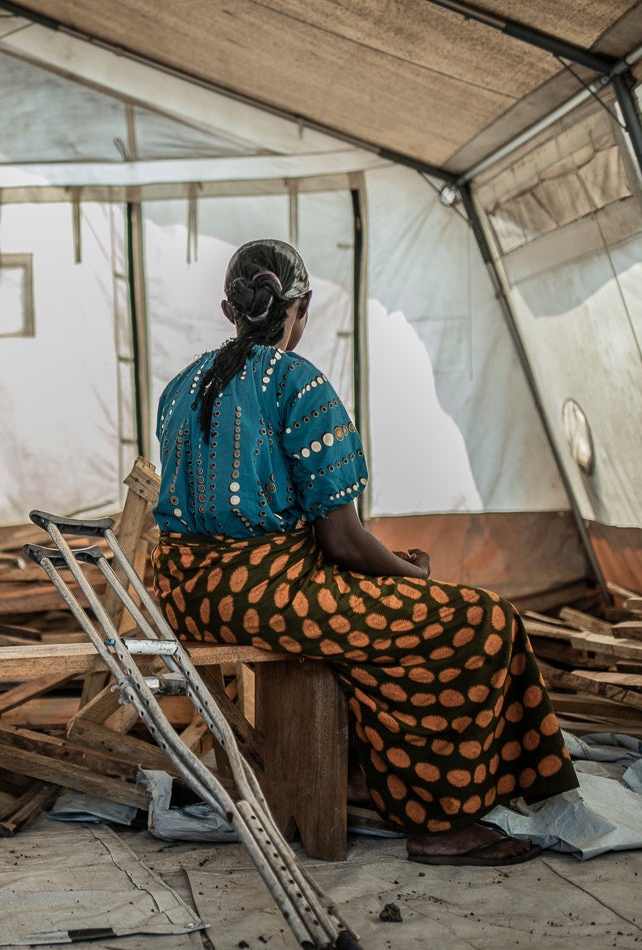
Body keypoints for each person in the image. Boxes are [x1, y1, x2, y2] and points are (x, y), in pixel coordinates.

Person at [151, 238, 579, 865]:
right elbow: (341, 539)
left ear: (228, 309)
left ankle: (371, 777)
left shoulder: (181, 386)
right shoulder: (296, 383)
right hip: (259, 592)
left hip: (186, 592)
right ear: (303, 309)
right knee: (477, 621)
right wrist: (410, 574)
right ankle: (440, 824)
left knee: (385, 620)